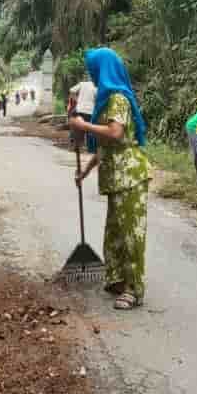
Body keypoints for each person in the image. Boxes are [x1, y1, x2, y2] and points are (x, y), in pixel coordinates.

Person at [68, 48, 151, 310]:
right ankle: (116, 279)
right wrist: (85, 171)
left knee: (131, 234)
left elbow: (115, 133)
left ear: (103, 69)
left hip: (130, 174)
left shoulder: (118, 99)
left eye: (93, 69)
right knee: (114, 231)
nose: (91, 74)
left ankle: (134, 289)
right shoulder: (104, 100)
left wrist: (84, 127)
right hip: (114, 175)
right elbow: (104, 145)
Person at [68, 76, 97, 149]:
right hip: (90, 111)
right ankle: (88, 147)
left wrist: (76, 100)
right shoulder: (96, 87)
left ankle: (76, 145)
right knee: (88, 129)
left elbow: (71, 90)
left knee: (77, 127)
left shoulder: (82, 84)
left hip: (79, 109)